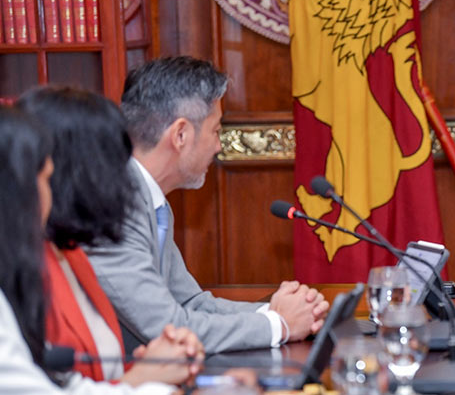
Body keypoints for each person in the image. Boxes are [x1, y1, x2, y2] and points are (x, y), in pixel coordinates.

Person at [84, 56, 330, 354]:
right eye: (216, 131)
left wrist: (278, 313)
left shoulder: (149, 198)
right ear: (180, 134)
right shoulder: (110, 208)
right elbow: (169, 327)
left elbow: (190, 302)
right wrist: (280, 324)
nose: (218, 145)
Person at [17, 87, 204, 384]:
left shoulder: (72, 254)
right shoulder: (19, 268)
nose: (123, 179)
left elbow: (98, 376)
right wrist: (143, 378)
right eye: (114, 163)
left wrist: (154, 363)